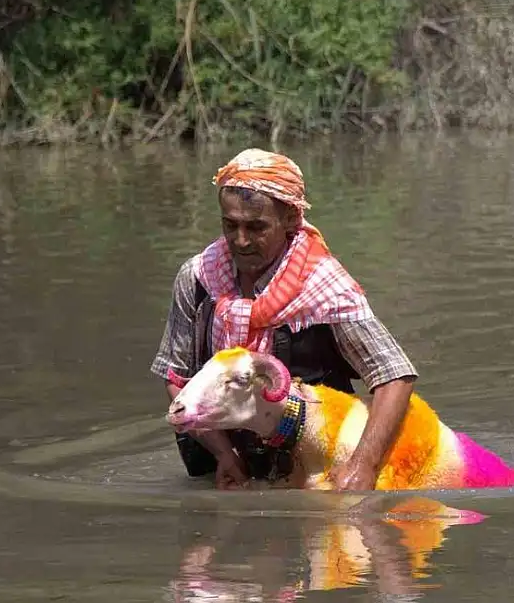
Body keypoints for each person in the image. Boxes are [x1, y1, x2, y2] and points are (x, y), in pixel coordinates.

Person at [149, 148, 418, 492]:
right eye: (230, 225)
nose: (240, 240)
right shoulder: (198, 278)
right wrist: (224, 454)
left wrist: (362, 465)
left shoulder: (325, 286)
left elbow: (395, 377)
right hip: (220, 457)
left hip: (314, 466)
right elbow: (178, 376)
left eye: (256, 227)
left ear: (291, 219)